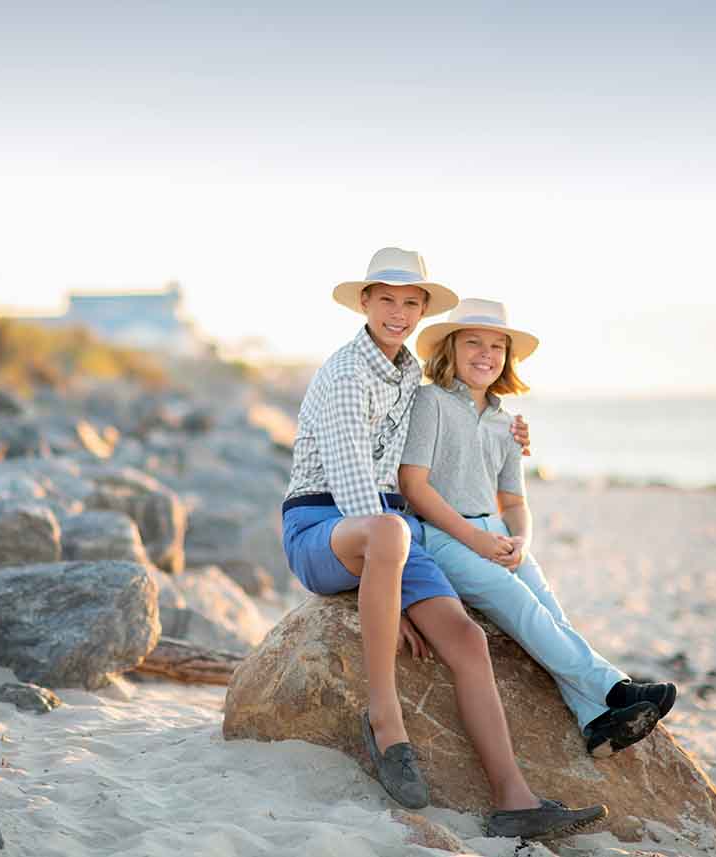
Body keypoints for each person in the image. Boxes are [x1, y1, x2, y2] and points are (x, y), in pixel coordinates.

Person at [282, 248, 607, 838]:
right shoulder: (346, 374)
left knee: (466, 639)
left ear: (424, 310)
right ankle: (386, 722)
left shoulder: (408, 372)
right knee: (388, 530)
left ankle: (514, 799)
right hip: (321, 527)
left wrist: (507, 430)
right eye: (387, 299)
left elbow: (452, 423)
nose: (399, 312)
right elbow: (355, 483)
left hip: (390, 535)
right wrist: (389, 591)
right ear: (365, 302)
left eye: (411, 303)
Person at [398, 298, 677, 759]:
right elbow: (414, 485)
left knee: (550, 612)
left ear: (507, 358)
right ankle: (614, 689)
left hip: (497, 533)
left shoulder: (509, 423)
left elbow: (513, 501)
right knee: (521, 606)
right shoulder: (431, 402)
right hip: (442, 535)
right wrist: (477, 540)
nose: (485, 354)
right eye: (473, 342)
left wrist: (521, 542)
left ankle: (595, 722)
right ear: (450, 347)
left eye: (496, 346)